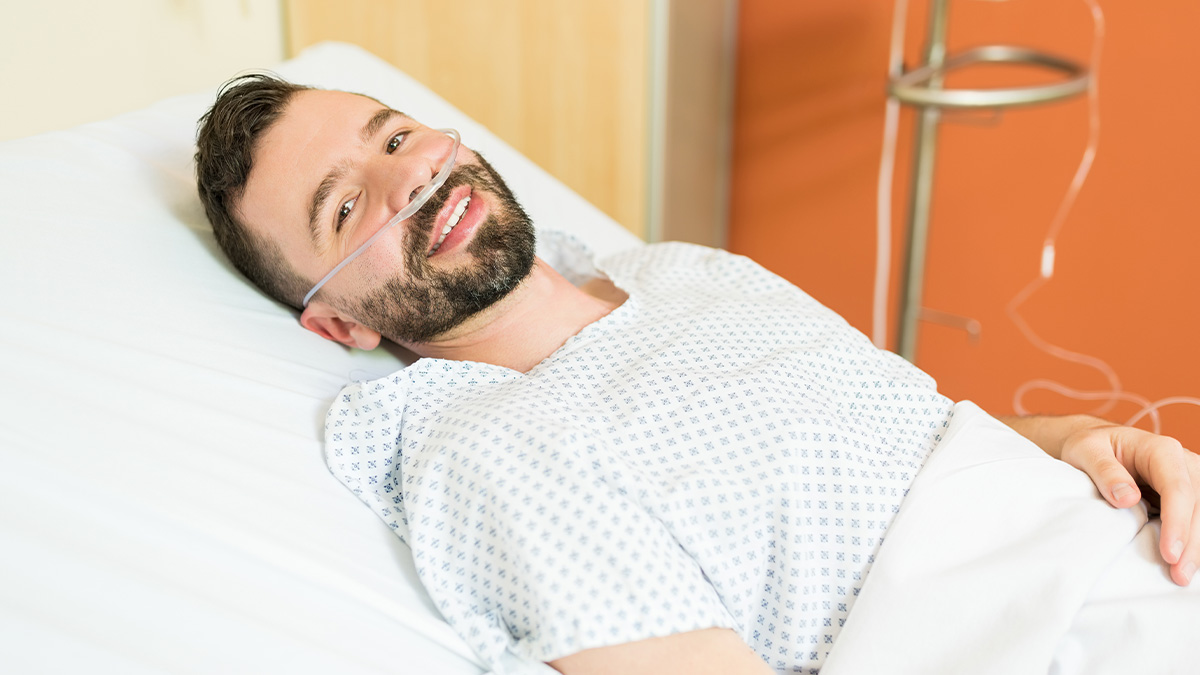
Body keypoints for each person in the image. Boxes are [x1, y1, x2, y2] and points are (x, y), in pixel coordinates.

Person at [194, 74, 1199, 674]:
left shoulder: (682, 270)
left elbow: (907, 433)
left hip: (1133, 538)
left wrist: (1077, 442)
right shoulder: (490, 445)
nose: (406, 177)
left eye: (397, 136)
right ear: (335, 324)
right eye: (344, 207)